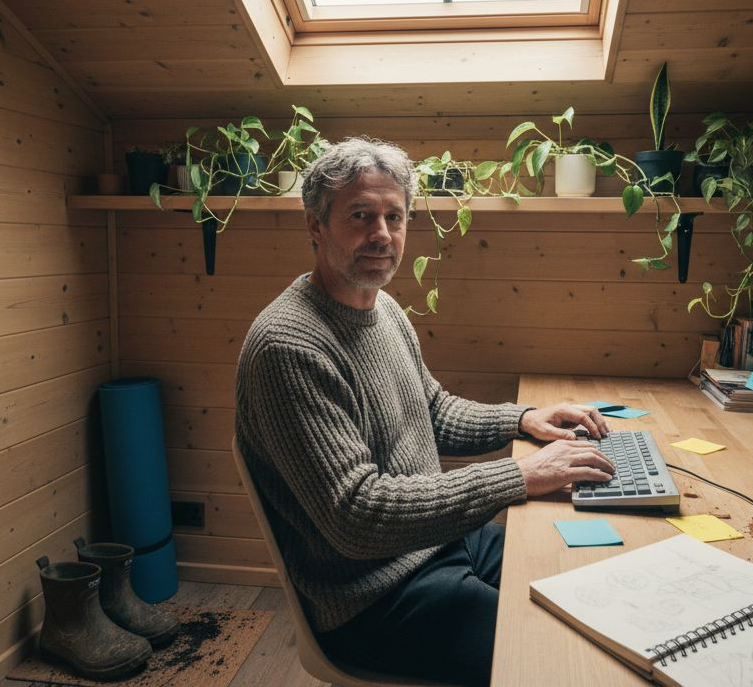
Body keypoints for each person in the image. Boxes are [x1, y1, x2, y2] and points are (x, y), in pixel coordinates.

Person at [235, 138, 616, 686]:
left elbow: (430, 408)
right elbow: (356, 516)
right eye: (361, 216)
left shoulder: (383, 308)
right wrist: (517, 475)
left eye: (395, 216)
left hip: (436, 545)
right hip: (372, 597)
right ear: (315, 227)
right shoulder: (290, 347)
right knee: (562, 658)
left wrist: (522, 419)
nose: (382, 234)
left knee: (582, 574)